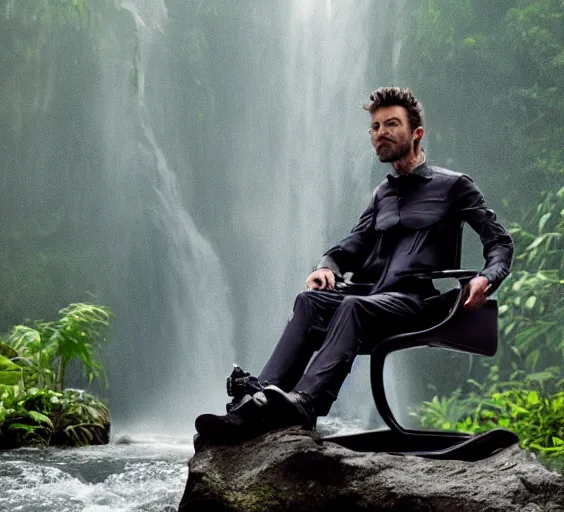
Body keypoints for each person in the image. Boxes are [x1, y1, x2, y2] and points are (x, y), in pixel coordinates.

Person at [195, 86, 514, 443]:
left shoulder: (454, 186)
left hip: (418, 305)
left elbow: (499, 241)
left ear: (417, 133)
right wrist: (327, 266)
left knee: (351, 307)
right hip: (371, 302)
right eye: (375, 127)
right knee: (309, 301)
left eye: (392, 124)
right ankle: (257, 403)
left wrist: (486, 278)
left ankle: (307, 403)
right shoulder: (383, 194)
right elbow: (351, 245)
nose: (382, 133)